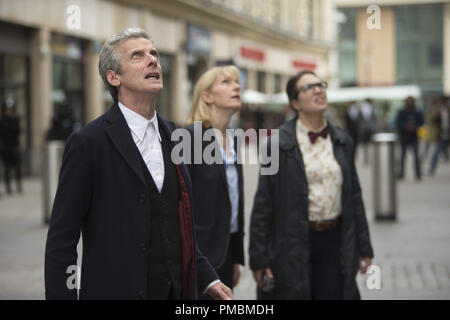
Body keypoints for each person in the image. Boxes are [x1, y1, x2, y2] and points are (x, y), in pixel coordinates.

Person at [44, 28, 232, 300]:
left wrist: (207, 277)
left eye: (154, 53)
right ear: (114, 77)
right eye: (137, 55)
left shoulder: (176, 137)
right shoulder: (88, 143)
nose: (153, 60)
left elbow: (178, 226)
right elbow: (62, 240)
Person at [249, 70, 374, 300]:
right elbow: (263, 203)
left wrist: (364, 247)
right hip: (293, 243)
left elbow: (354, 195)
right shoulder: (275, 146)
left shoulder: (342, 140)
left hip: (335, 243)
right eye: (308, 87)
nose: (318, 89)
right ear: (295, 102)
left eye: (321, 85)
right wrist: (259, 259)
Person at [185, 66, 245, 299]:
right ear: (207, 96)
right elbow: (181, 203)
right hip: (200, 255)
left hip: (226, 253)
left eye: (237, 82)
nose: (236, 86)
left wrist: (235, 257)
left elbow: (234, 200)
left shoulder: (233, 138)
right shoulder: (190, 137)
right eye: (226, 82)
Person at [395, 96, 424, 180]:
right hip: (404, 136)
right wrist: (405, 127)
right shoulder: (402, 112)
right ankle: (401, 173)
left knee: (416, 156)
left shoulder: (418, 112)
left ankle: (418, 174)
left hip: (414, 136)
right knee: (402, 156)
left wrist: (415, 127)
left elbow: (421, 122)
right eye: (408, 102)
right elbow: (398, 122)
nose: (410, 103)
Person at [0, 98, 22, 194]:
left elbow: (18, 132)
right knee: (7, 168)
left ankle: (19, 185)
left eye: (10, 109)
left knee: (17, 167)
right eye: (7, 109)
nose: (9, 111)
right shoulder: (2, 121)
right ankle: (8, 187)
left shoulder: (15, 120)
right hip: (5, 148)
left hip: (14, 146)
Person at [429, 96, 450, 175]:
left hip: (447, 134)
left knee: (440, 152)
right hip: (441, 135)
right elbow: (432, 121)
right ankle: (431, 169)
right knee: (436, 152)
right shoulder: (438, 111)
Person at [359, 98, 377, 165]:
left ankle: (370, 158)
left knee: (371, 145)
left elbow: (374, 119)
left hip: (370, 129)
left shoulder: (372, 108)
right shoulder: (362, 108)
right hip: (364, 129)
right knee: (365, 145)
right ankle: (366, 159)